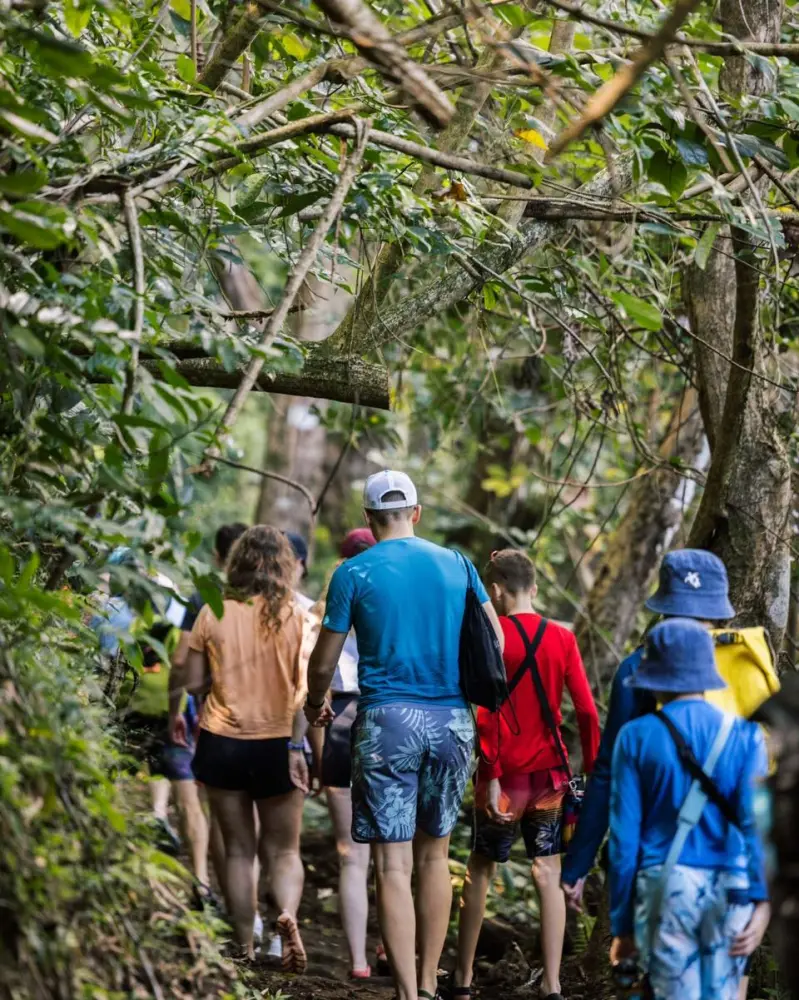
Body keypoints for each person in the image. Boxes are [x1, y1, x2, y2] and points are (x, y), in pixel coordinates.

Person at [305, 470, 503, 1000]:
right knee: (434, 856)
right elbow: (496, 638)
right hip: (452, 724)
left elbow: (324, 662)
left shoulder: (353, 572)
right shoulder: (458, 564)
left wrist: (313, 702)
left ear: (369, 521)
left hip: (387, 722)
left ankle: (407, 994)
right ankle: (433, 978)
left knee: (392, 863)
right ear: (416, 513)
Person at [454, 549, 600, 1000]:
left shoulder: (492, 637)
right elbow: (588, 713)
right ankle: (553, 984)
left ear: (495, 591)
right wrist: (592, 769)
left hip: (502, 776)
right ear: (533, 588)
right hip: (550, 777)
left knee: (480, 871)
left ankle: (461, 980)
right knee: (548, 872)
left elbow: (487, 712)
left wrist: (492, 774)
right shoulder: (562, 638)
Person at [561, 550, 736, 911]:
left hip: (652, 850)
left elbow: (609, 770)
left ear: (665, 608)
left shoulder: (636, 669)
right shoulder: (743, 664)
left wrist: (578, 863)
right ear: (717, 612)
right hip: (726, 851)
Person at [609, 619, 770, 1000]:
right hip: (733, 889)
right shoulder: (746, 735)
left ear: (654, 678)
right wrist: (762, 904)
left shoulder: (635, 737)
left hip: (668, 887)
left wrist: (623, 925)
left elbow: (623, 842)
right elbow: (756, 827)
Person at [181, 525, 310, 967]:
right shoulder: (297, 616)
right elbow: (307, 693)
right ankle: (287, 916)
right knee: (285, 850)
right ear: (286, 565)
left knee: (238, 850)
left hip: (222, 740)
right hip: (277, 743)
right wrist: (300, 747)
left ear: (235, 562)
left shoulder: (213, 612)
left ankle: (244, 945)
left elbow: (193, 681)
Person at [90, 548, 211, 893]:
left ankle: (116, 862)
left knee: (112, 782)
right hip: (172, 711)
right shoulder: (176, 608)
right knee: (187, 795)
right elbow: (184, 662)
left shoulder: (108, 612)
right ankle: (201, 879)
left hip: (124, 710)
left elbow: (99, 665)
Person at [314, 527, 378, 979]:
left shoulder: (327, 606)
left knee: (352, 855)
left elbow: (317, 684)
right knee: (396, 855)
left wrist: (309, 754)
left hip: (339, 724)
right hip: (388, 722)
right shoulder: (395, 601)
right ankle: (391, 951)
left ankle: (357, 960)